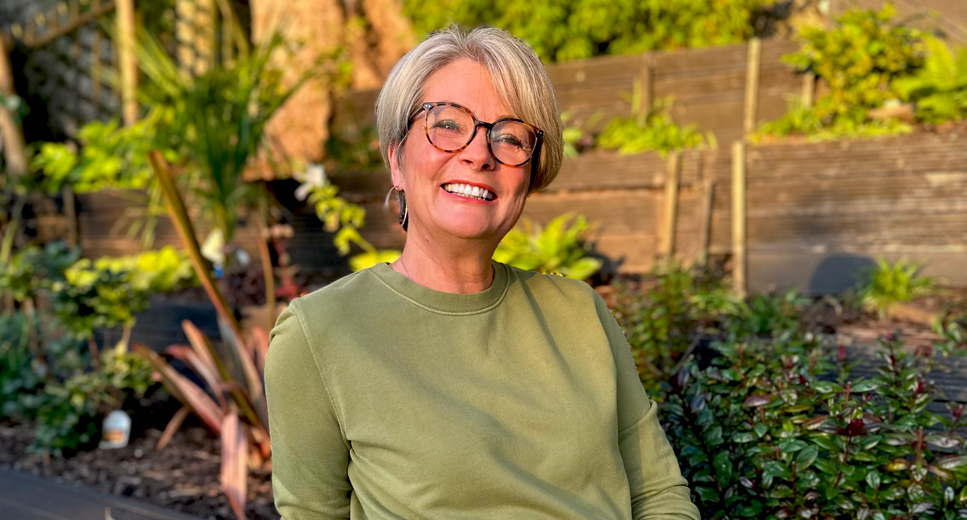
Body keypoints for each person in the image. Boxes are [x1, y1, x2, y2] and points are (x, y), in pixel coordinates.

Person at [264, 26, 700, 520]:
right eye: (448, 124)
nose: (479, 153)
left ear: (530, 175)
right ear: (397, 160)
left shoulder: (581, 313)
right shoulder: (318, 335)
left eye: (510, 136)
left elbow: (657, 495)